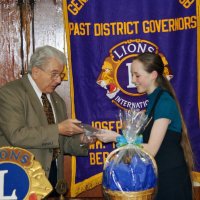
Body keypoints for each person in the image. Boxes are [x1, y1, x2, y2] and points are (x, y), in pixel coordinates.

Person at [96, 52, 194, 200]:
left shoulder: (164, 102)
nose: (133, 80)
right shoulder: (153, 101)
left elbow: (152, 149)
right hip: (157, 177)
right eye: (132, 75)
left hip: (170, 180)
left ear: (153, 75)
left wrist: (116, 137)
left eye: (137, 75)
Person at [0, 45, 94, 197]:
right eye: (54, 74)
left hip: (54, 182)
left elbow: (61, 143)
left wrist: (83, 140)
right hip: (21, 181)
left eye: (60, 75)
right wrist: (58, 129)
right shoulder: (11, 93)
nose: (58, 80)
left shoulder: (57, 100)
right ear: (36, 71)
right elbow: (16, 135)